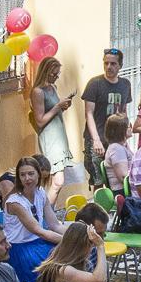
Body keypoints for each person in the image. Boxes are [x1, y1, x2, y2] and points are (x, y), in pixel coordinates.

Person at [0, 154, 66, 282]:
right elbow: (39, 231)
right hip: (20, 249)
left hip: (38, 243)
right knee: (56, 266)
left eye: (31, 174)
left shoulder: (40, 192)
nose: (27, 178)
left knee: (69, 257)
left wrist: (78, 234)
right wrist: (70, 241)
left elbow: (54, 225)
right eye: (23, 175)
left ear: (38, 175)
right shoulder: (15, 202)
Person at [29, 56, 83, 188]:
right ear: (45, 72)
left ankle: (47, 206)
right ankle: (47, 207)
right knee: (57, 181)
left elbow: (53, 112)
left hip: (59, 136)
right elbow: (40, 121)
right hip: (50, 138)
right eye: (54, 74)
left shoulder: (53, 87)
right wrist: (58, 106)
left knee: (56, 180)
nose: (56, 77)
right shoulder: (38, 92)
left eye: (57, 74)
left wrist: (63, 107)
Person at [82, 49, 134, 153]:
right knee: (97, 169)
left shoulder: (125, 84)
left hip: (116, 140)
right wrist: (96, 140)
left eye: (113, 64)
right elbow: (89, 113)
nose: (109, 67)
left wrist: (125, 133)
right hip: (97, 140)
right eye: (106, 63)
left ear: (120, 65)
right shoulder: (95, 83)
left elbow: (123, 111)